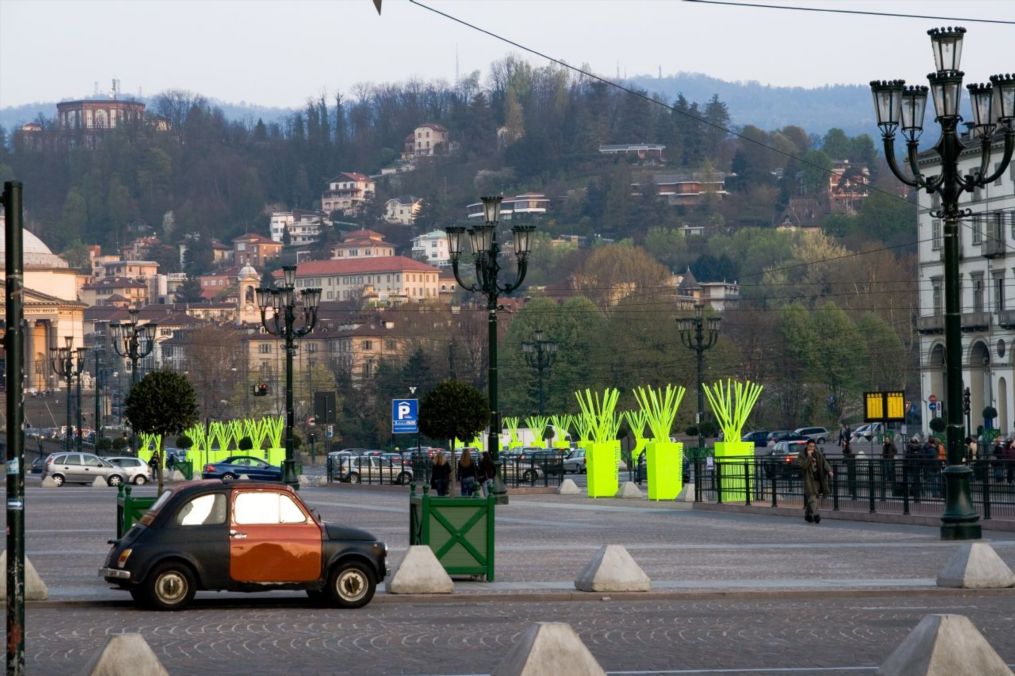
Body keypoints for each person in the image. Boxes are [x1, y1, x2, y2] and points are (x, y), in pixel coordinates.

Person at [797, 440, 833, 524]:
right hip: (809, 479)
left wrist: (829, 470)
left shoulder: (817, 453)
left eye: (813, 446)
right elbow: (804, 466)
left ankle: (808, 515)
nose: (812, 448)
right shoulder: (802, 455)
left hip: (818, 479)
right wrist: (809, 457)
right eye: (810, 446)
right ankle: (816, 515)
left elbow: (824, 462)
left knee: (814, 497)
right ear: (807, 446)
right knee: (812, 496)